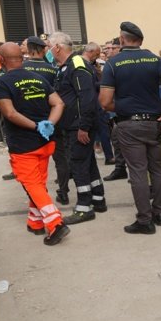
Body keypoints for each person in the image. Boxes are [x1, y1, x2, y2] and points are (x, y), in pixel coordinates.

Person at [99, 21, 161, 235]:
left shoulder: (112, 64)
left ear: (122, 38)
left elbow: (105, 102)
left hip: (129, 124)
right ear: (140, 40)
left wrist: (126, 107)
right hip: (154, 123)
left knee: (137, 171)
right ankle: (159, 212)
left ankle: (145, 220)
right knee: (157, 168)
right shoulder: (154, 59)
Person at [0, 42, 69, 245]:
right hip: (45, 142)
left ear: (1, 60)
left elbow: (9, 113)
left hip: (23, 145)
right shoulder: (38, 78)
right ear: (22, 57)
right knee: (38, 184)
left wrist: (36, 126)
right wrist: (48, 124)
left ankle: (56, 224)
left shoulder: (2, 82)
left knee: (33, 185)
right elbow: (59, 103)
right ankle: (34, 222)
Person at [48, 33, 106, 224]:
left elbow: (87, 97)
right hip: (75, 124)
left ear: (57, 47)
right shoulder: (65, 67)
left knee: (78, 163)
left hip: (79, 126)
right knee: (88, 162)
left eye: (50, 46)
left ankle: (84, 208)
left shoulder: (77, 65)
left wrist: (84, 126)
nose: (49, 50)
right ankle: (98, 199)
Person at [23, 36, 70, 204]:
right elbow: (60, 94)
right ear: (42, 50)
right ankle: (63, 192)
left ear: (28, 50)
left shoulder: (21, 69)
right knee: (60, 158)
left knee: (33, 163)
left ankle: (37, 197)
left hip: (28, 122)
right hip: (52, 120)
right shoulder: (53, 69)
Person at [83, 42, 116, 165]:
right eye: (96, 54)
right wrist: (105, 84)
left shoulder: (91, 65)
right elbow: (90, 84)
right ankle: (106, 156)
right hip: (93, 103)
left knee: (104, 131)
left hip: (98, 102)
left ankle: (109, 156)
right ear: (90, 52)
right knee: (96, 132)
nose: (97, 57)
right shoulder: (84, 66)